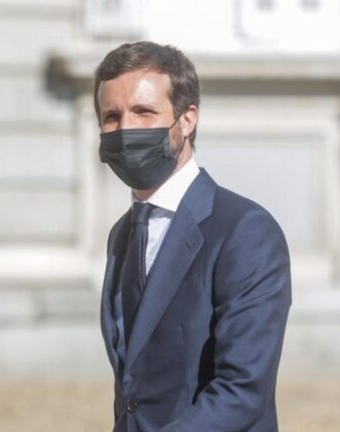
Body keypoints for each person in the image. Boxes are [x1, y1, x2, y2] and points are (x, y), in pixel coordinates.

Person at [95, 41, 292, 432]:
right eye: (112, 117)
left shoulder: (245, 230)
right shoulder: (121, 234)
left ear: (187, 120)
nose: (125, 129)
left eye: (144, 112)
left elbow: (242, 391)